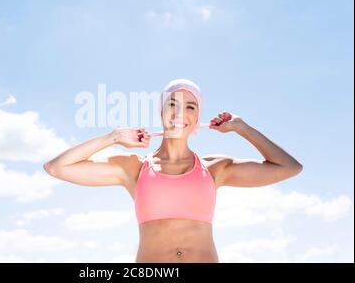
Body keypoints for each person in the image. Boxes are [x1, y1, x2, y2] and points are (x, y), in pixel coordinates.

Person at [43, 79, 303, 263]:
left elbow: (289, 167)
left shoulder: (215, 169)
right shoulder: (134, 168)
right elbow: (57, 167)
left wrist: (242, 128)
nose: (180, 112)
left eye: (191, 106)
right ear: (161, 112)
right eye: (172, 104)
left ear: (198, 117)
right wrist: (113, 137)